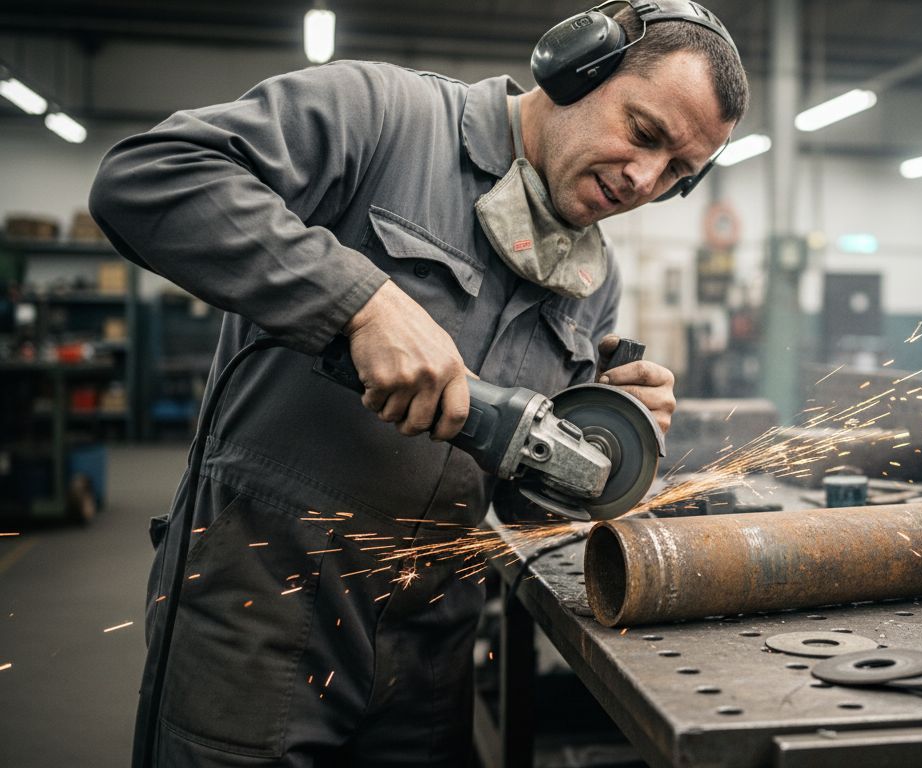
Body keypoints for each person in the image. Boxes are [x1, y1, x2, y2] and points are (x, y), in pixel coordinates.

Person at [88, 1, 748, 763]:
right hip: (262, 617)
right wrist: (358, 302)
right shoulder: (381, 119)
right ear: (578, 67)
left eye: (677, 174)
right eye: (644, 133)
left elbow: (511, 501)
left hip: (432, 651)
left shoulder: (590, 280)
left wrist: (597, 446)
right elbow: (146, 177)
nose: (643, 178)